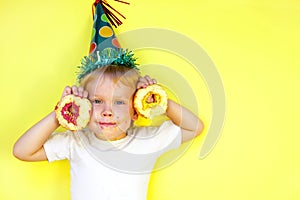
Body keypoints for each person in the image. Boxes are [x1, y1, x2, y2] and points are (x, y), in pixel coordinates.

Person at [13, 64, 203, 200]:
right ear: (84, 106)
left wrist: (158, 99)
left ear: (135, 110)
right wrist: (61, 112)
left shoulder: (148, 141)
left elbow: (194, 127)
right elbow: (22, 151)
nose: (107, 110)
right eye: (97, 101)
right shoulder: (75, 142)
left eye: (119, 102)